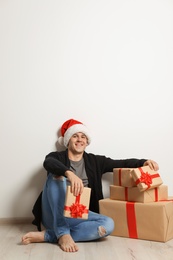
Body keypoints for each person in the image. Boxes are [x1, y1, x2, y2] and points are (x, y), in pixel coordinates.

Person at [22, 118, 159, 252]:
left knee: (108, 224)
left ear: (87, 142)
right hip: (53, 213)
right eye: (75, 136)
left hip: (76, 214)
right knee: (56, 175)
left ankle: (51, 235)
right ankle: (63, 232)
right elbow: (48, 163)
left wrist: (144, 161)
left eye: (83, 136)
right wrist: (69, 173)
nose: (79, 139)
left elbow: (121, 163)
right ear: (67, 140)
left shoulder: (95, 161)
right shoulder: (57, 157)